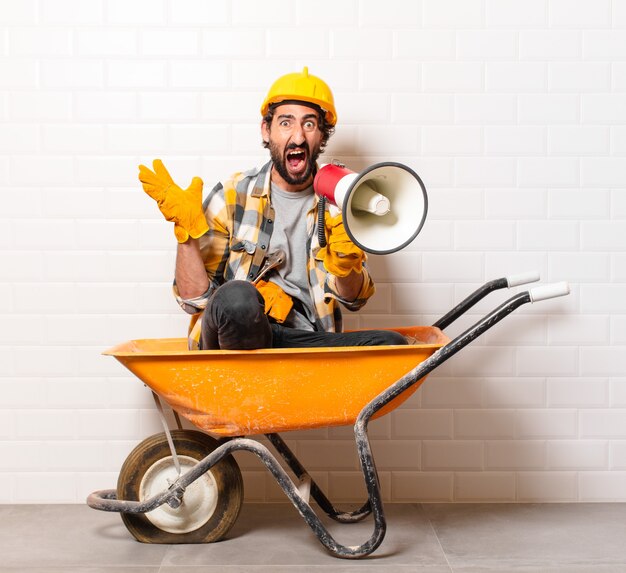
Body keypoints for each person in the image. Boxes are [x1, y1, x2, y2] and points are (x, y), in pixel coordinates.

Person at [139, 67, 407, 351]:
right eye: (285, 123)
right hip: (238, 338)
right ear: (266, 131)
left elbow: (353, 299)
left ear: (321, 136)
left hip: (303, 340)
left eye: (309, 124)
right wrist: (187, 237)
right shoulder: (232, 196)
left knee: (392, 344)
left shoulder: (341, 203)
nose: (298, 137)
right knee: (238, 299)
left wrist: (345, 265)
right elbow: (194, 301)